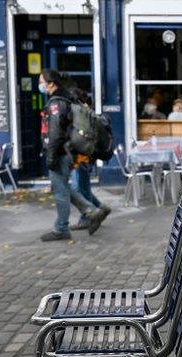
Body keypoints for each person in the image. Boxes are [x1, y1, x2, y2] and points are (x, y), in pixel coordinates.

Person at [39, 68, 106, 241]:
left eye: (42, 81)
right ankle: (91, 211)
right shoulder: (65, 99)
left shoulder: (56, 103)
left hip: (60, 152)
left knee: (60, 192)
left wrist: (52, 155)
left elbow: (56, 133)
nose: (40, 85)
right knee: (63, 187)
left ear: (51, 83)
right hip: (65, 151)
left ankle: (61, 228)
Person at [67, 86, 111, 231]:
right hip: (87, 155)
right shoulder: (86, 111)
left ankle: (89, 216)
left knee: (77, 188)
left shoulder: (78, 112)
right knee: (83, 188)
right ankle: (101, 209)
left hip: (80, 156)